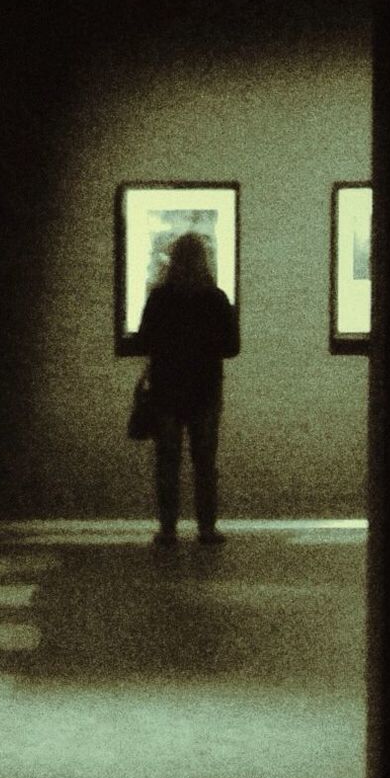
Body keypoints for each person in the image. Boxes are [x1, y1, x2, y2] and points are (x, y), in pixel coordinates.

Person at [137, 232, 238, 546]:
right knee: (204, 462)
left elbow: (144, 340)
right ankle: (207, 528)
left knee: (167, 461)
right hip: (205, 390)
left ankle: (168, 529)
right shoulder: (215, 298)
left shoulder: (160, 297)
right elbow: (232, 347)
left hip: (167, 390)